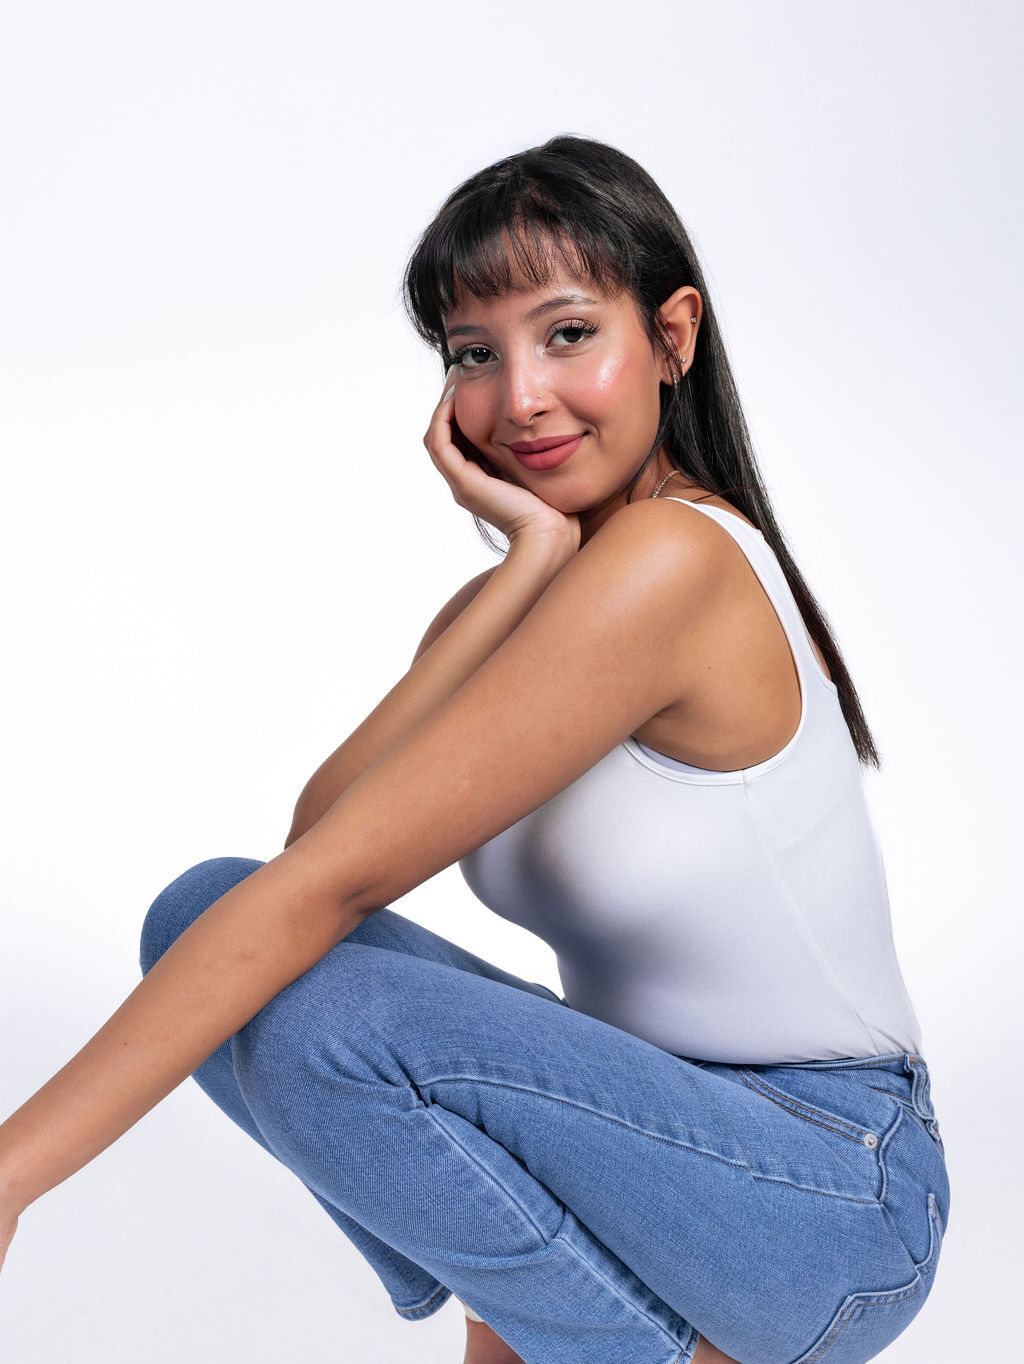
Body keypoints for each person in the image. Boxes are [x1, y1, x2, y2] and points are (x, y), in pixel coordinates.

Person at [0, 135, 950, 1364]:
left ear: (672, 334)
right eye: (473, 354)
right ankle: (546, 1331)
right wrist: (523, 569)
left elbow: (331, 884)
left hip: (831, 1188)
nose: (521, 398)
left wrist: (14, 1172)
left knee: (325, 1014)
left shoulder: (675, 562)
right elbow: (312, 848)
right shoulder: (551, 587)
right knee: (205, 913)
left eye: (568, 334)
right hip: (657, 1137)